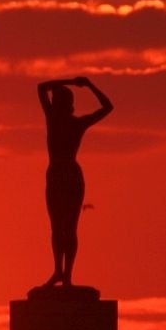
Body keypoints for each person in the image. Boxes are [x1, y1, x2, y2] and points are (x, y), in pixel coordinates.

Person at [35, 76, 113, 290]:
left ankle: (67, 275)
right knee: (57, 227)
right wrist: (81, 83)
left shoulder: (70, 122)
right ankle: (58, 271)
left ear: (65, 104)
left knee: (69, 227)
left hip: (68, 174)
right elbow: (41, 87)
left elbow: (108, 107)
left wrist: (84, 84)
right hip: (56, 175)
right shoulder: (55, 119)